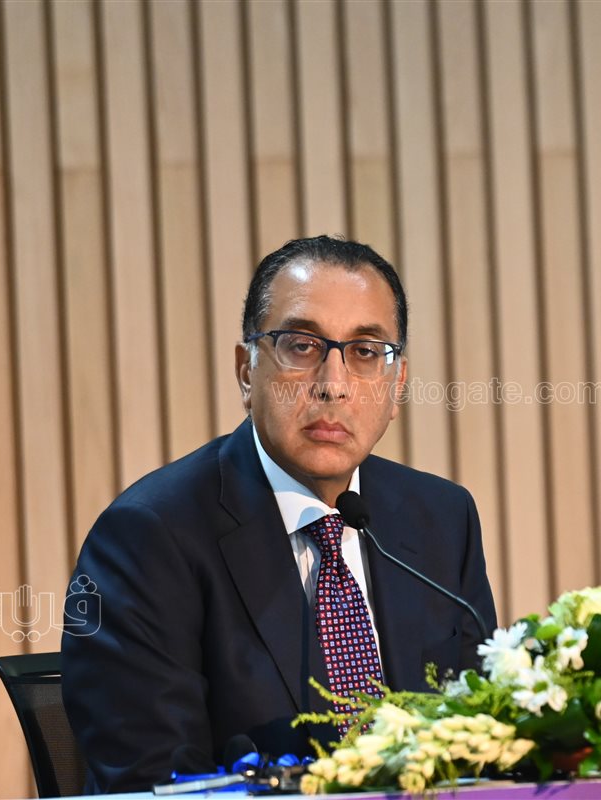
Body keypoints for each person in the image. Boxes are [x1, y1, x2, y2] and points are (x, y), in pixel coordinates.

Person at [61, 236, 498, 793]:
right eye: (301, 346)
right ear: (246, 371)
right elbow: (155, 783)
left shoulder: (441, 519)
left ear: (397, 386)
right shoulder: (147, 538)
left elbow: (486, 738)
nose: (333, 386)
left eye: (366, 352)